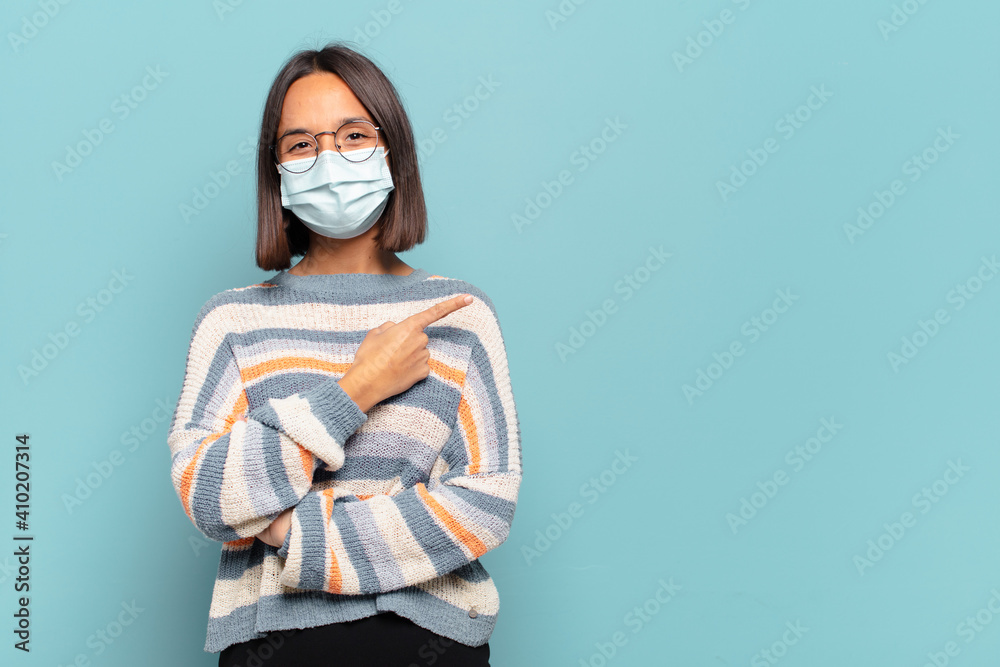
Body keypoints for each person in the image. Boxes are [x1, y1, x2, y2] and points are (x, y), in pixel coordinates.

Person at [166, 42, 521, 667]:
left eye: (354, 135)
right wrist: (356, 387)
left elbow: (485, 502)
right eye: (301, 144)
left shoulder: (459, 316)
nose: (329, 158)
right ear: (275, 170)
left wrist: (292, 534)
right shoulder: (233, 321)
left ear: (394, 152)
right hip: (267, 649)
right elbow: (210, 494)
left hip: (431, 643)